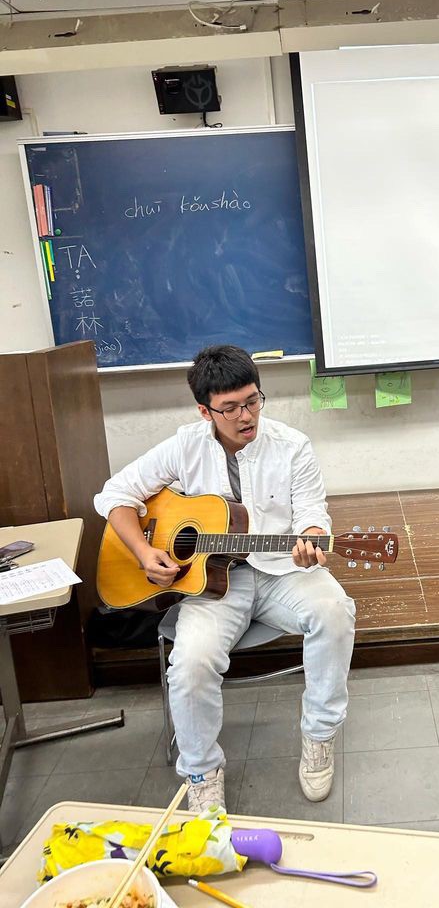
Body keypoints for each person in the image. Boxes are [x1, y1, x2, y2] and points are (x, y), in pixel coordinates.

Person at [95, 345, 356, 811]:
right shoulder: (184, 446)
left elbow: (312, 512)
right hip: (212, 586)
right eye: (230, 408)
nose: (246, 416)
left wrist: (313, 538)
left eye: (253, 401)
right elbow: (115, 494)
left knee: (336, 612)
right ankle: (201, 770)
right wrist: (143, 551)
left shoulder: (292, 445)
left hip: (280, 573)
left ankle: (319, 735)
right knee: (190, 664)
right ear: (205, 411)